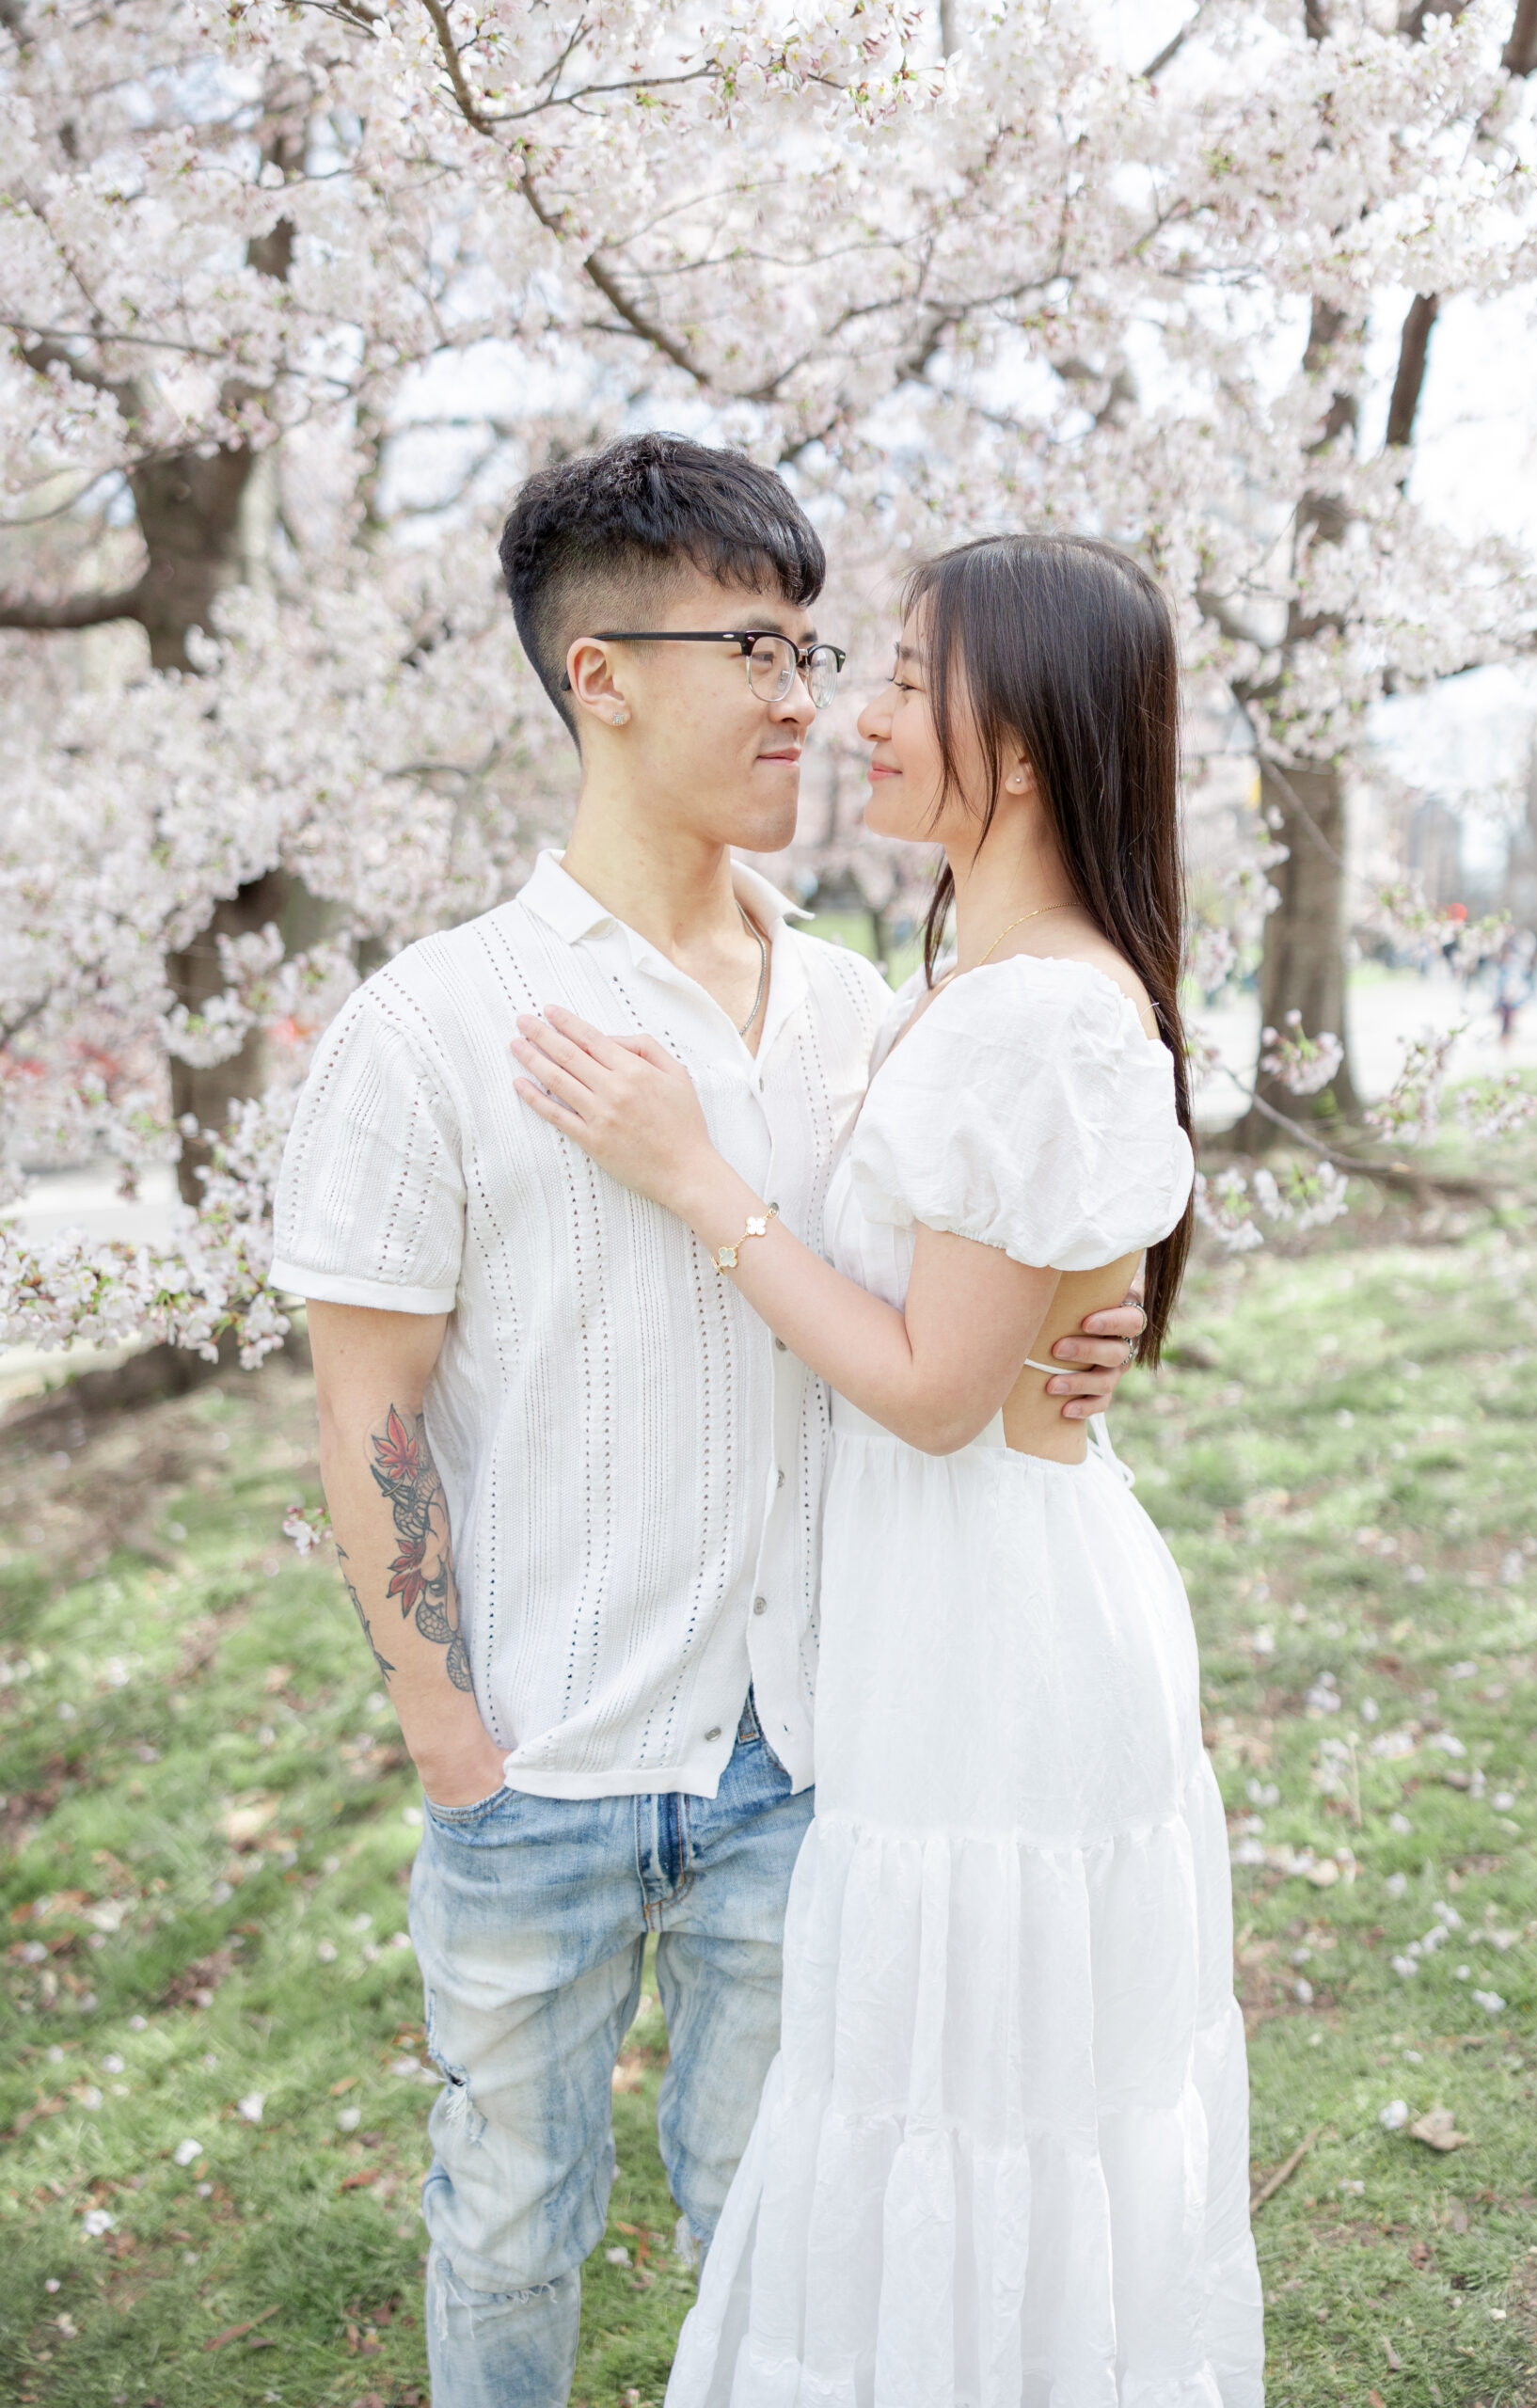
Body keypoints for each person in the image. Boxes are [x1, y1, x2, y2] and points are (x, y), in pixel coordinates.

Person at [268, 436, 1143, 2407]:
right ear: (601, 677)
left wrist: (1053, 1358)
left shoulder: (860, 1009)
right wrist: (453, 1744)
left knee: (785, 2221)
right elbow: (368, 1400)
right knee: (504, 2222)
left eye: (815, 646)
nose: (802, 698)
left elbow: (963, 1278)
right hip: (545, 1762)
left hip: (806, 1756)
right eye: (751, 646)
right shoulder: (430, 1024)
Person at [513, 532, 1264, 2402]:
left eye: (898, 674)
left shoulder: (1034, 1012)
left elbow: (931, 1390)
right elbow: (990, 1306)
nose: (845, 711)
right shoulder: (973, 982)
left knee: (980, 2102)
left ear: (1010, 738)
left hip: (1000, 1644)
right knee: (921, 2100)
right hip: (954, 1612)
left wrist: (700, 1179)